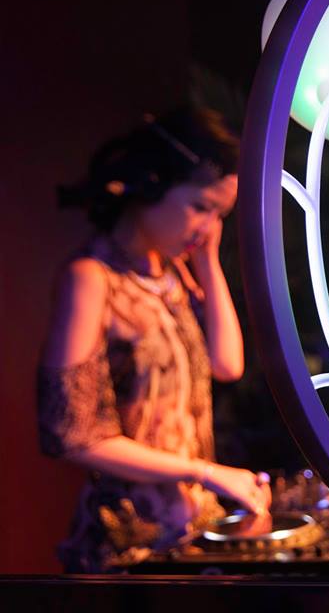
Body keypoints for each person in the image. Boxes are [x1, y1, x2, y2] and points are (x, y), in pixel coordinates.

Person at [37, 107, 271, 572]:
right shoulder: (93, 279)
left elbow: (228, 365)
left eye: (220, 215)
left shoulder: (172, 277)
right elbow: (71, 434)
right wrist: (203, 471)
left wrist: (207, 262)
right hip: (126, 547)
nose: (209, 227)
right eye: (200, 207)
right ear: (151, 185)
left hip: (189, 540)